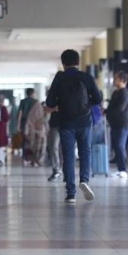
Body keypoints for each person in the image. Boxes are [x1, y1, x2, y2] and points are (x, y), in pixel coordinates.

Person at [45, 49, 103, 203]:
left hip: (66, 123)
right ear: (78, 62)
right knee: (85, 152)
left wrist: (61, 103)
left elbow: (49, 102)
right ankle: (84, 180)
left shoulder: (60, 78)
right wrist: (85, 104)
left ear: (63, 64)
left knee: (68, 157)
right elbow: (98, 99)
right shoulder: (86, 77)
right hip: (84, 122)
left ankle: (71, 193)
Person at [105, 70, 128, 178]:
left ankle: (123, 169)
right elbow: (111, 106)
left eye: (116, 78)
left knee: (120, 145)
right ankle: (120, 169)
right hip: (114, 124)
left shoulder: (124, 92)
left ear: (121, 80)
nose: (114, 80)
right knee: (116, 145)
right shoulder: (116, 92)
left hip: (122, 123)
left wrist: (108, 111)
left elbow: (120, 108)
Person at [16, 88, 38, 163]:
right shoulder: (35, 102)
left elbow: (20, 113)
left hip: (24, 122)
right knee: (34, 139)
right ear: (33, 93)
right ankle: (33, 157)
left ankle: (25, 157)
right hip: (33, 123)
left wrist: (18, 124)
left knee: (25, 139)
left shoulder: (23, 101)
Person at [24, 101, 48, 167]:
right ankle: (37, 160)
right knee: (39, 148)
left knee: (38, 148)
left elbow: (28, 123)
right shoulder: (41, 114)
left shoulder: (33, 114)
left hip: (38, 132)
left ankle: (37, 160)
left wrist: (26, 133)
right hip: (38, 133)